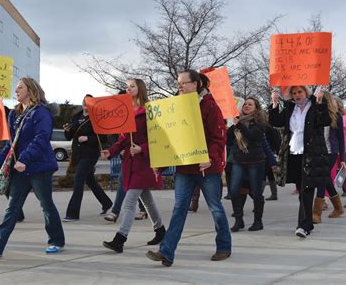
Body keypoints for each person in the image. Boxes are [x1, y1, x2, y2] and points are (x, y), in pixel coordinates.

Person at [146, 69, 231, 266]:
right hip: (185, 168)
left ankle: (224, 246)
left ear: (196, 84)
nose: (179, 87)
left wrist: (210, 158)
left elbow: (219, 137)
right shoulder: (175, 107)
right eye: (178, 83)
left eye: (183, 83)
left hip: (207, 169)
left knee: (215, 208)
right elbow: (172, 139)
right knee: (179, 209)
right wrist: (162, 163)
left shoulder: (210, 106)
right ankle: (166, 251)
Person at [0, 77, 65, 259]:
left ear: (31, 91)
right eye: (15, 88)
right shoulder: (15, 114)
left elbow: (41, 138)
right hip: (20, 168)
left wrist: (24, 158)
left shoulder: (41, 113)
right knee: (12, 207)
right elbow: (11, 144)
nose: (16, 91)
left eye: (20, 88)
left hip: (39, 167)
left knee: (46, 205)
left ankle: (56, 241)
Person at [101, 78, 165, 253]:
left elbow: (159, 137)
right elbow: (123, 139)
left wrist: (142, 149)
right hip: (131, 163)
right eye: (126, 87)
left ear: (140, 89)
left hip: (144, 163)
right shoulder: (126, 112)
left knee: (129, 203)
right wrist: (111, 151)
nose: (128, 89)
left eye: (132, 86)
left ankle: (119, 239)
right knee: (147, 200)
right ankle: (160, 231)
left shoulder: (150, 111)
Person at [268, 86, 330, 238]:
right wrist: (275, 103)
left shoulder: (315, 105)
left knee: (306, 188)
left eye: (299, 92)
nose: (297, 96)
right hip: (293, 153)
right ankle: (307, 221)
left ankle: (303, 225)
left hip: (311, 153)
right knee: (301, 189)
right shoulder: (290, 107)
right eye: (294, 93)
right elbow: (276, 121)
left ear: (306, 93)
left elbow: (325, 121)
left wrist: (321, 101)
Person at [62, 94, 112, 221]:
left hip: (90, 154)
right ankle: (106, 203)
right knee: (90, 180)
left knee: (78, 180)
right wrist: (67, 130)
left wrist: (88, 138)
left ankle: (72, 213)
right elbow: (69, 137)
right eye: (84, 100)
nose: (85, 103)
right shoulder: (76, 116)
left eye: (88, 101)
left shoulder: (96, 118)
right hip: (77, 154)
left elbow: (103, 138)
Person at [227, 98, 266, 232]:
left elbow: (252, 136)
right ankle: (239, 220)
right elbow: (228, 139)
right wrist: (232, 126)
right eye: (245, 104)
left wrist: (239, 125)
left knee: (256, 192)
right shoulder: (238, 121)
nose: (246, 106)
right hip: (239, 161)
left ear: (256, 108)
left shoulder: (259, 121)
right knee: (234, 190)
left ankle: (258, 221)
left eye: (250, 104)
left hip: (255, 162)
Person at [313, 91, 345, 223]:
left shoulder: (337, 116)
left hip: (331, 152)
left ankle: (317, 213)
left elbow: (341, 138)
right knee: (325, 178)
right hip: (318, 151)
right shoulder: (315, 114)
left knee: (322, 179)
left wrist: (342, 158)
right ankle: (338, 208)